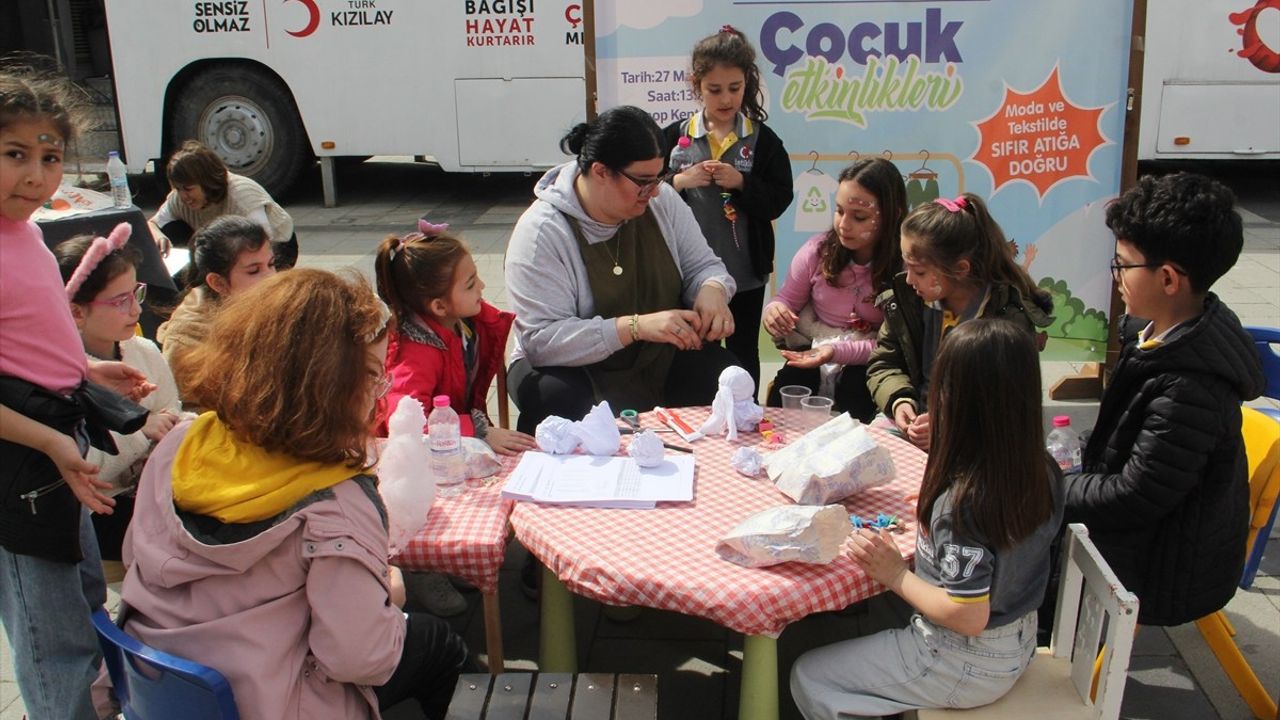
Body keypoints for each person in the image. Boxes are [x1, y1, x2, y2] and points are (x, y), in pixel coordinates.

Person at [118, 269, 475, 719]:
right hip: (271, 703)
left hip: (162, 690)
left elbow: (136, 557)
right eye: (370, 375)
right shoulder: (337, 503)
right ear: (326, 388)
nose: (379, 394)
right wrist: (391, 595)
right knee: (435, 642)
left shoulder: (182, 444)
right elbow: (362, 658)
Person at [790, 319, 1064, 719]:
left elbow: (968, 614)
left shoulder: (964, 504)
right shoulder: (1041, 468)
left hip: (963, 659)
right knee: (875, 618)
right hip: (1018, 639)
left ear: (959, 402)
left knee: (808, 675)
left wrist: (894, 574)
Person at [0, 66, 152, 720]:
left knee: (86, 596)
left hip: (62, 446)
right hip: (25, 460)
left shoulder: (29, 235)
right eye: (14, 155)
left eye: (50, 156)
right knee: (54, 635)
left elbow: (28, 340)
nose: (36, 175)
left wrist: (88, 372)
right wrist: (52, 441)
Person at [1063, 173, 1265, 626]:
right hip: (1156, 535)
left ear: (1169, 279)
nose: (1115, 276)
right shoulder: (1159, 336)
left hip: (1166, 571)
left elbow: (1133, 496)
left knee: (1014, 542)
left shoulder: (1189, 386)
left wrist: (1049, 489)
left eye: (1122, 265)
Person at [505, 105, 739, 434]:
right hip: (569, 366)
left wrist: (712, 290)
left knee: (724, 375)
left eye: (658, 178)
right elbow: (542, 341)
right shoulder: (542, 232)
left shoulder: (661, 202)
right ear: (601, 171)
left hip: (653, 357)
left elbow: (704, 265)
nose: (655, 190)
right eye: (643, 182)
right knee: (557, 398)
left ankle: (700, 472)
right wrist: (634, 326)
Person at [662, 25, 794, 392]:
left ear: (747, 84)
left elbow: (780, 198)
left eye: (734, 88)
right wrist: (679, 182)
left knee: (742, 352)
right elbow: (645, 193)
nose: (725, 99)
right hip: (687, 274)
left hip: (746, 275)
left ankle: (746, 416)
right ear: (696, 86)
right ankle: (700, 416)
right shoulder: (675, 135)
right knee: (694, 350)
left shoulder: (763, 140)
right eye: (714, 90)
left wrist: (742, 184)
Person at [866, 193, 1053, 450]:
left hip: (976, 443)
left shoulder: (1007, 321)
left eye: (919, 271)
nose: (908, 280)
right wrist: (899, 401)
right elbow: (884, 363)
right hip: (914, 427)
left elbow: (1008, 409)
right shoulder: (908, 302)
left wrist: (947, 428)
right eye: (906, 266)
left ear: (960, 269)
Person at [55, 231, 183, 562]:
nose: (136, 310)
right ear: (76, 312)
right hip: (97, 515)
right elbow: (87, 469)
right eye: (119, 301)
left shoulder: (143, 350)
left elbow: (170, 408)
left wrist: (173, 426)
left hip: (150, 490)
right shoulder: (58, 376)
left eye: (136, 293)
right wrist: (142, 429)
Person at [374, 219, 535, 455]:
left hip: (455, 442)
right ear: (439, 306)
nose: (482, 285)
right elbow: (407, 424)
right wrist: (479, 430)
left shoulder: (468, 325)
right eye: (470, 285)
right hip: (418, 460)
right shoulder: (414, 355)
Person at [762, 158, 906, 421]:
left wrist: (835, 352)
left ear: (892, 215)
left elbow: (894, 346)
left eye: (859, 216)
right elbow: (785, 300)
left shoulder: (906, 269)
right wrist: (775, 312)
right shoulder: (816, 251)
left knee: (857, 391)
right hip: (812, 352)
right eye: (839, 211)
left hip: (870, 364)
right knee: (787, 391)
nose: (844, 224)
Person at [147, 139, 298, 268]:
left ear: (206, 182)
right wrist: (160, 237)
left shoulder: (241, 196)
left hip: (277, 247)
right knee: (172, 230)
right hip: (228, 247)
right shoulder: (178, 199)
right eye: (178, 189)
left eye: (188, 189)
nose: (183, 196)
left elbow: (264, 242)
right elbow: (152, 223)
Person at [156, 214, 276, 366]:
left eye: (271, 264)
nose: (271, 277)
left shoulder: (278, 306)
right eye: (253, 271)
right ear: (217, 282)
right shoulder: (188, 339)